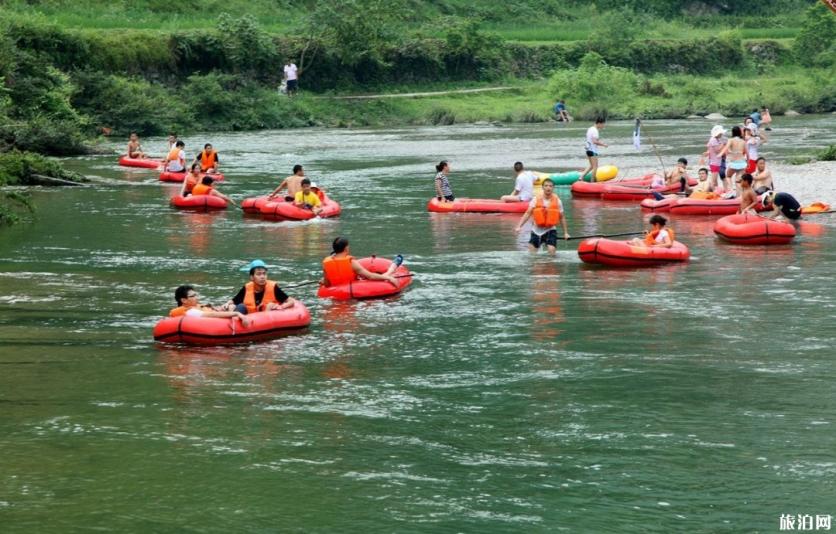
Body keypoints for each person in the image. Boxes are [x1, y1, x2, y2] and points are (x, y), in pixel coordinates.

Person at [515, 178, 570, 255]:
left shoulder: (558, 201)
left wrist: (565, 233)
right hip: (536, 231)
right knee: (532, 255)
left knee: (551, 251)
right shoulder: (535, 199)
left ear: (553, 188)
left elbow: (562, 217)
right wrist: (519, 226)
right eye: (546, 186)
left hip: (550, 230)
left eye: (550, 186)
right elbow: (527, 213)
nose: (548, 188)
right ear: (542, 187)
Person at [321, 237, 401, 288]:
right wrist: (389, 278)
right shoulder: (351, 262)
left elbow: (327, 284)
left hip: (337, 294)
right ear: (346, 248)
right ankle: (392, 269)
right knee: (383, 276)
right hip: (354, 290)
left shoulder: (326, 263)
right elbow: (371, 276)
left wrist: (323, 281)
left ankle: (392, 268)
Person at [224, 260, 296, 314]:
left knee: (270, 305)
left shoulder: (273, 287)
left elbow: (291, 301)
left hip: (267, 317)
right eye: (258, 274)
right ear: (252, 277)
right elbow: (234, 301)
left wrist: (281, 307)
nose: (262, 277)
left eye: (264, 274)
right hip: (250, 318)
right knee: (239, 306)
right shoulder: (246, 288)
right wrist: (228, 304)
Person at [169, 285, 249, 326]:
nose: (197, 298)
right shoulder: (190, 312)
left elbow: (212, 311)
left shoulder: (194, 307)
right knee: (241, 306)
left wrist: (227, 308)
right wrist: (236, 313)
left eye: (196, 295)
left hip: (219, 316)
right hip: (220, 323)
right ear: (183, 300)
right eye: (193, 296)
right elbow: (212, 314)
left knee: (233, 305)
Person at [719, 125, 747, 194]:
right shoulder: (743, 141)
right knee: (738, 180)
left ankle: (731, 190)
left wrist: (720, 154)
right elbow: (747, 153)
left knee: (728, 176)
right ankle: (739, 195)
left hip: (734, 163)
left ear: (733, 133)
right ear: (740, 132)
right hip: (742, 163)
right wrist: (748, 162)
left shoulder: (730, 140)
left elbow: (726, 148)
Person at [579, 117, 607, 181]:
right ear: (599, 123)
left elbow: (588, 140)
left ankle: (581, 177)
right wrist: (604, 144)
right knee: (595, 167)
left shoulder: (590, 129)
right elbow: (594, 141)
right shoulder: (595, 131)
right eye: (603, 124)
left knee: (591, 166)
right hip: (592, 150)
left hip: (588, 149)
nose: (603, 126)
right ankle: (592, 182)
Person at [703, 125, 727, 192]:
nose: (722, 134)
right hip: (714, 162)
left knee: (715, 179)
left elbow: (710, 148)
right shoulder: (713, 140)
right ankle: (715, 192)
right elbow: (717, 150)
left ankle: (716, 191)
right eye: (721, 133)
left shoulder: (715, 139)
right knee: (714, 179)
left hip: (715, 161)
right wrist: (723, 144)